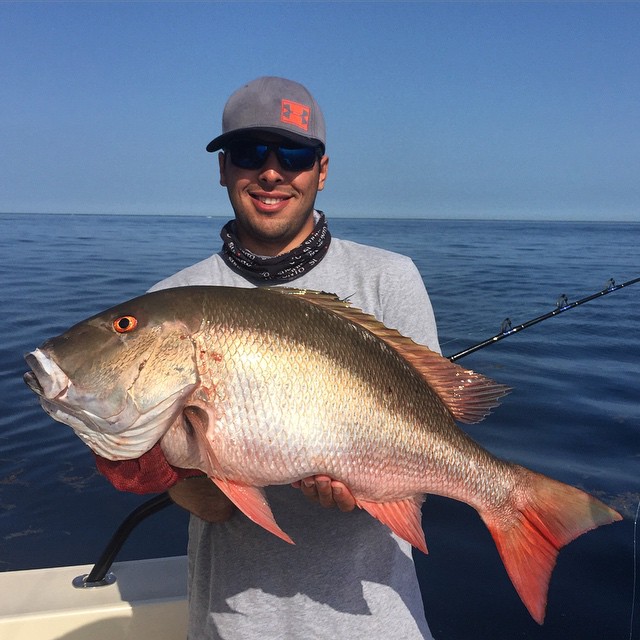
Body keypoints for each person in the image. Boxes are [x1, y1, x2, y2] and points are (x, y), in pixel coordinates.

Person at [102, 76, 440, 639]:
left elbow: (425, 452)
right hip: (235, 625)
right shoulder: (172, 301)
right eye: (249, 152)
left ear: (322, 170)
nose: (271, 171)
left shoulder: (387, 278)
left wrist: (366, 481)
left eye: (294, 154)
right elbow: (209, 506)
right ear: (222, 168)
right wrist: (153, 462)